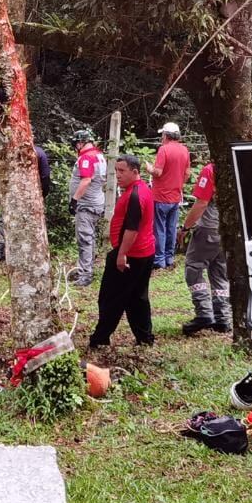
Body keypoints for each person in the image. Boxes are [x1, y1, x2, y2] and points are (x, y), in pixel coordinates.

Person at [89, 155, 157, 348]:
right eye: (116, 170)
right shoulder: (140, 189)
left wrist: (121, 254)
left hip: (132, 254)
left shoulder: (136, 195)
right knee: (137, 297)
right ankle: (145, 338)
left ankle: (100, 339)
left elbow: (132, 228)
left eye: (122, 171)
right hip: (143, 252)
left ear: (135, 172)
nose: (117, 175)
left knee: (111, 298)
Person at [180, 162, 231, 335]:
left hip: (209, 228)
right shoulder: (239, 165)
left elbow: (202, 202)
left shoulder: (211, 169)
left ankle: (204, 313)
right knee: (219, 272)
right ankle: (222, 318)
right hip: (230, 228)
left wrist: (185, 227)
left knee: (193, 268)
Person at [146, 122, 190, 269]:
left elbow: (158, 172)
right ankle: (169, 258)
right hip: (176, 196)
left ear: (166, 135)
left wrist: (149, 168)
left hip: (160, 196)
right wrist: (178, 184)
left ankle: (159, 260)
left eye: (162, 135)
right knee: (171, 228)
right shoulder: (184, 150)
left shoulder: (163, 150)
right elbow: (187, 173)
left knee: (159, 228)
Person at [68, 129, 108, 286]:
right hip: (96, 202)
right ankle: (85, 269)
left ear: (80, 143)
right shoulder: (99, 155)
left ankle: (85, 274)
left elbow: (86, 180)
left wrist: (74, 200)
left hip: (87, 205)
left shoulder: (87, 158)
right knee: (89, 237)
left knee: (84, 238)